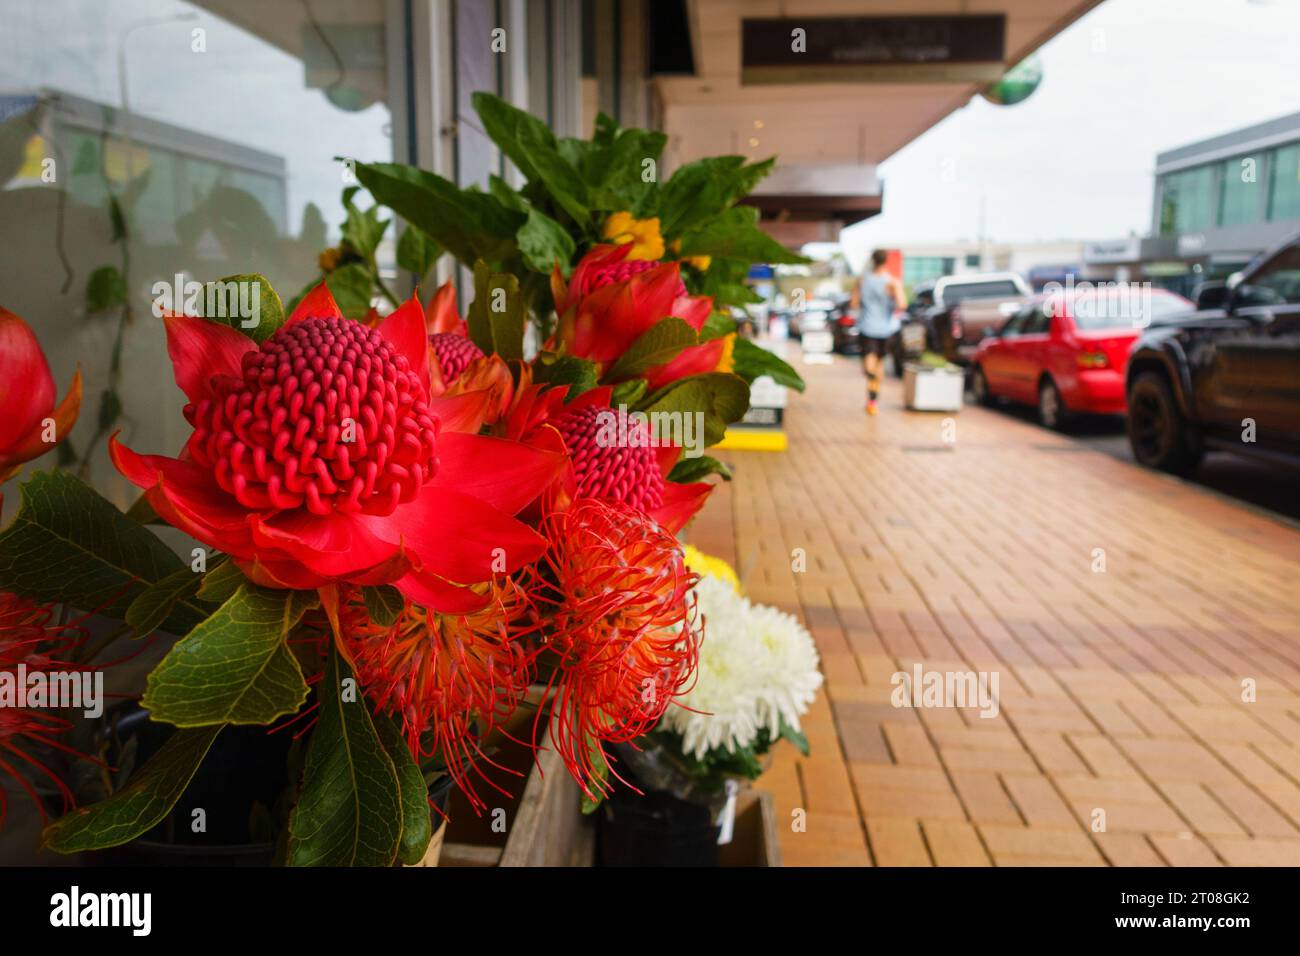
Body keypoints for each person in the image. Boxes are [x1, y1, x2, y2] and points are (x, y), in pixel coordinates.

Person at [850, 249, 908, 415]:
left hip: (867, 327)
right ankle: (873, 400)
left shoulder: (862, 280)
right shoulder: (892, 282)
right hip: (886, 329)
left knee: (870, 367)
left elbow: (853, 304)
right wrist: (891, 298)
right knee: (879, 364)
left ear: (872, 260)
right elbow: (902, 304)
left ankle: (872, 399)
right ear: (886, 261)